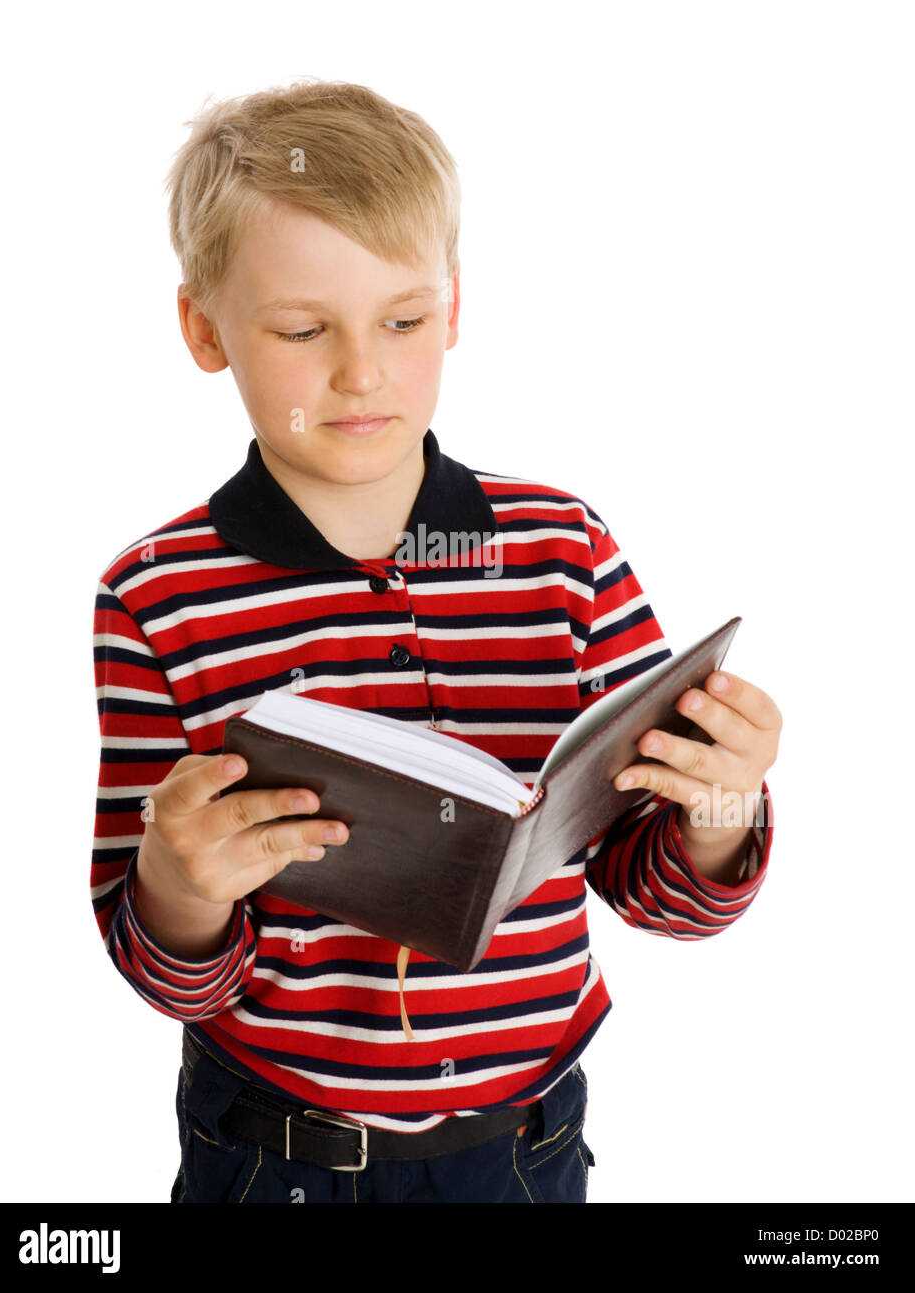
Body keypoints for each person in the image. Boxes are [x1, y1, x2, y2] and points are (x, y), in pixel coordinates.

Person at [91, 80, 782, 1204]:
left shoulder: (567, 551)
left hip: (526, 1142)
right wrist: (178, 881)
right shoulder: (155, 595)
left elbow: (653, 891)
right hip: (276, 1154)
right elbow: (169, 966)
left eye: (403, 321)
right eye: (304, 329)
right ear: (205, 330)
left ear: (455, 308)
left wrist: (720, 809)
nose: (362, 372)